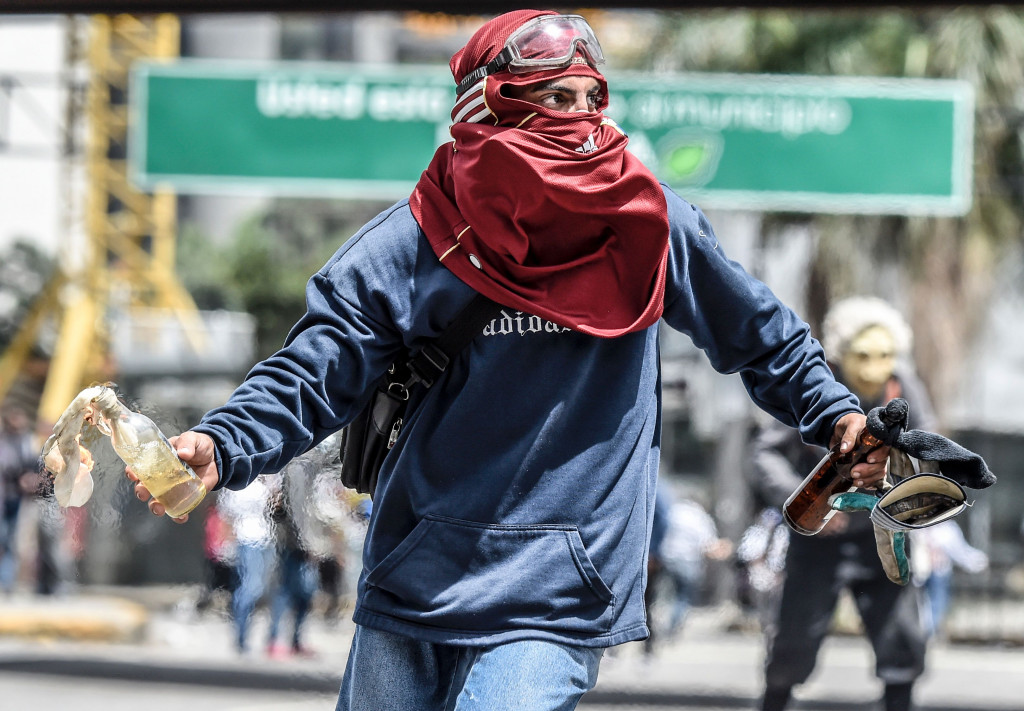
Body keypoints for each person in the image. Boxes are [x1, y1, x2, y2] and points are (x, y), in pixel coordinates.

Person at [129, 11, 892, 709]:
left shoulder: (650, 227)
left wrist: (835, 413)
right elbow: (316, 366)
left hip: (559, 591)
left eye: (590, 99)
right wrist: (225, 441)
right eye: (554, 98)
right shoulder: (413, 239)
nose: (580, 120)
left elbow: (762, 334)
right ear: (486, 109)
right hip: (415, 575)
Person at [750, 296, 934, 711]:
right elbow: (765, 454)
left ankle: (899, 700)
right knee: (796, 634)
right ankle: (776, 697)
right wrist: (807, 502)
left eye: (885, 355)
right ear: (840, 354)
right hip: (819, 539)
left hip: (883, 534)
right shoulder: (818, 387)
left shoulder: (903, 388)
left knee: (901, 633)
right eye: (863, 356)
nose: (874, 367)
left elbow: (928, 448)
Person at [911, 520, 988, 639]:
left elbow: (959, 551)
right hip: (919, 574)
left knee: (938, 604)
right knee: (921, 605)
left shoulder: (948, 528)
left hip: (939, 573)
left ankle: (928, 634)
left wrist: (977, 562)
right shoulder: (916, 527)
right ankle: (923, 634)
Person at [0, 406, 38, 594]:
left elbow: (33, 464)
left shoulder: (27, 441)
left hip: (18, 497)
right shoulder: (4, 441)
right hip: (4, 495)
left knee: (12, 539)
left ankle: (6, 581)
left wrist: (29, 479)